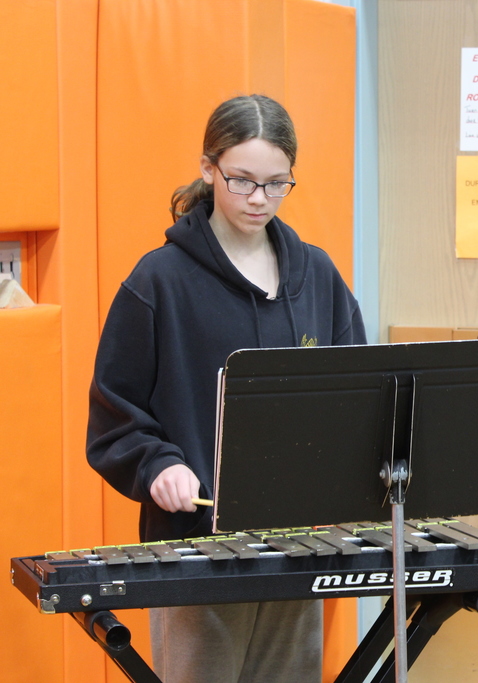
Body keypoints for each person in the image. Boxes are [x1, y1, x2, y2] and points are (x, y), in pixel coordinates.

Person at [86, 94, 366, 683]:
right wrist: (157, 464)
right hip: (195, 547)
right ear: (208, 168)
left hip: (298, 546)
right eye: (241, 180)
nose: (258, 199)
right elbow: (116, 415)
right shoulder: (157, 282)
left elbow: (355, 396)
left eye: (276, 183)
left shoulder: (318, 276)